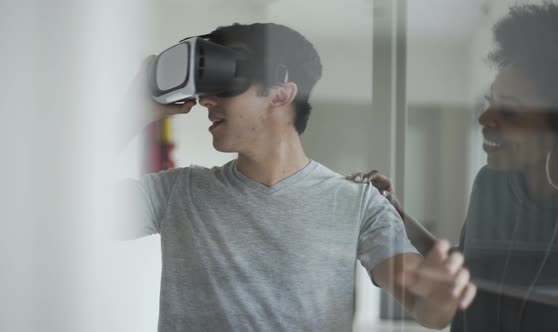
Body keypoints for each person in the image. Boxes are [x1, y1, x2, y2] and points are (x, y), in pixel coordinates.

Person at [117, 23, 475, 331]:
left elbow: (426, 304)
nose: (207, 99)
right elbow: (66, 211)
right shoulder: (179, 193)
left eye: (224, 82)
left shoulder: (359, 203)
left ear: (281, 93)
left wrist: (438, 293)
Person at [352, 4, 558, 331]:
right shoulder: (490, 183)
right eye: (491, 102)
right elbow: (466, 264)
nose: (485, 119)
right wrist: (398, 216)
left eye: (511, 111)